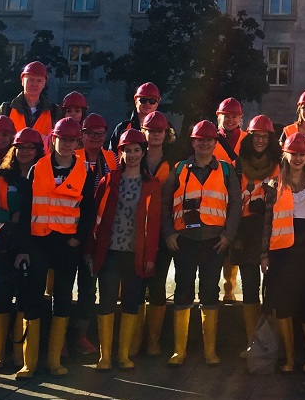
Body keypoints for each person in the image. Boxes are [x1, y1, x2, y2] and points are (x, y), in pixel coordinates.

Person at [19, 116, 95, 379]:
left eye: (72, 140)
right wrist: (25, 246)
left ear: (77, 142)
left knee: (63, 296)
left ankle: (54, 360)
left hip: (67, 244)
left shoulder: (85, 171)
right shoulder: (37, 168)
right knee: (33, 296)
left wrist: (77, 239)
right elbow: (25, 209)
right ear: (54, 139)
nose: (66, 144)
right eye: (62, 139)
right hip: (39, 241)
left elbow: (88, 211)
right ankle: (29, 362)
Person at [161, 120, 241, 366]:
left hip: (214, 241)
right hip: (184, 239)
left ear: (215, 144)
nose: (204, 144)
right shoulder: (180, 169)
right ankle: (179, 351)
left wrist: (228, 235)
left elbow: (235, 205)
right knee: (183, 288)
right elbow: (164, 204)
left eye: (209, 140)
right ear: (193, 142)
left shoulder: (226, 171)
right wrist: (169, 233)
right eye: (200, 139)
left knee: (210, 290)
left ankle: (210, 351)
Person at [89, 127, 162, 371]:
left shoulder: (152, 185)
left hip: (135, 253)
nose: (131, 155)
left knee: (131, 301)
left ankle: (123, 355)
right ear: (119, 153)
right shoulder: (108, 180)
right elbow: (95, 217)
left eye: (136, 150)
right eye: (127, 150)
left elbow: (154, 225)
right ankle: (105, 356)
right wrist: (92, 249)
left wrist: (150, 256)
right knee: (107, 300)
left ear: (143, 153)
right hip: (110, 251)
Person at [263, 132, 305, 373]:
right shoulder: (273, 184)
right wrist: (264, 254)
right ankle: (288, 357)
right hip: (281, 252)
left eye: (302, 154)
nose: (298, 158)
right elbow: (267, 222)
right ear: (285, 155)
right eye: (294, 154)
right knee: (283, 305)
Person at [0, 126, 39, 373]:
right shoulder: (2, 178)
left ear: (38, 151)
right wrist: (11, 215)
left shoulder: (42, 177)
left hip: (32, 243)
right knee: (0, 295)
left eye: (29, 148)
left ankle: (18, 354)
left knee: (25, 297)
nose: (24, 152)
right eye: (20, 148)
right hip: (1, 245)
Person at [233, 115, 281, 356]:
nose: (260, 141)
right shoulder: (237, 166)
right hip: (246, 233)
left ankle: (270, 341)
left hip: (273, 231)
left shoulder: (279, 164)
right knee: (250, 286)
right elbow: (232, 203)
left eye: (265, 136)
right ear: (249, 138)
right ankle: (251, 341)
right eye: (256, 136)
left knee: (272, 288)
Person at [72, 111, 116, 355]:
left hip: (100, 230)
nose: (96, 138)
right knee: (66, 284)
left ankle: (81, 335)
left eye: (100, 134)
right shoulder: (72, 156)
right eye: (90, 134)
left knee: (89, 285)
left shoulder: (111, 158)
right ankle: (64, 336)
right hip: (72, 228)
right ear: (82, 134)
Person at [139, 109, 178, 355]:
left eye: (159, 131)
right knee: (134, 283)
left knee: (158, 283)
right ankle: (133, 339)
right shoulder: (132, 157)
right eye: (150, 131)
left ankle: (153, 340)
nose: (155, 135)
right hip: (136, 231)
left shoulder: (174, 162)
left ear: (166, 134)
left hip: (162, 231)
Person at [213, 98, 244, 302]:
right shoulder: (210, 139)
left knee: (239, 246)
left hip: (244, 200)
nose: (230, 119)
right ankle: (224, 290)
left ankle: (230, 289)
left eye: (234, 116)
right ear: (219, 116)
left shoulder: (248, 139)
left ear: (241, 118)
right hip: (218, 201)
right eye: (227, 115)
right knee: (220, 248)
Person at [0, 61, 62, 140]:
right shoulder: (6, 109)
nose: (34, 84)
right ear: (22, 80)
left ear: (44, 83)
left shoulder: (54, 112)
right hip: (12, 152)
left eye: (39, 80)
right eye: (31, 79)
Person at [106, 82, 164, 150]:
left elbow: (174, 155)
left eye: (152, 101)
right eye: (143, 100)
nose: (147, 103)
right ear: (136, 100)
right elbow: (111, 157)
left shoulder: (167, 129)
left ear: (158, 103)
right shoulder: (122, 129)